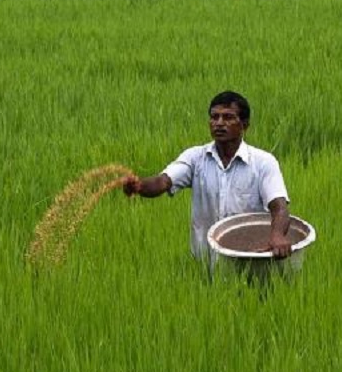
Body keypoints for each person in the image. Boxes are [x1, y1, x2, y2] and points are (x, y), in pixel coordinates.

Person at [122, 91, 293, 264]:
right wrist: (140, 186)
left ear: (244, 125)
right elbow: (163, 181)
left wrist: (277, 235)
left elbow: (279, 207)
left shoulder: (263, 163)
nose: (219, 123)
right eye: (214, 117)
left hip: (250, 261)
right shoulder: (195, 158)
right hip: (204, 264)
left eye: (228, 117)